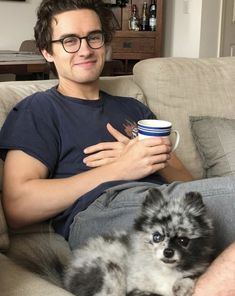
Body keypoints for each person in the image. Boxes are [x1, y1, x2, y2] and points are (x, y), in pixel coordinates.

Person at [0, 0, 234, 294]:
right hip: (104, 209)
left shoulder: (132, 108)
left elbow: (190, 186)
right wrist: (121, 167)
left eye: (93, 37)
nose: (85, 49)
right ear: (48, 51)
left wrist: (152, 159)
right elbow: (18, 205)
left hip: (167, 203)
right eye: (69, 41)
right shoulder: (39, 109)